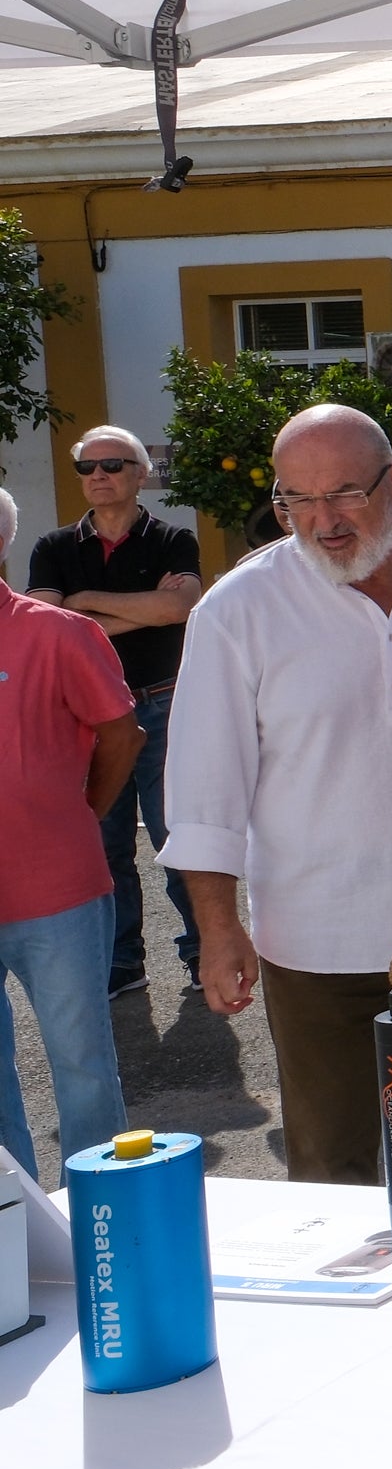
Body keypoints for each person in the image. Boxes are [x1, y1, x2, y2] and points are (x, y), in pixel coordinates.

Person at [162, 405, 392, 1184]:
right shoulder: (239, 608)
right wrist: (220, 929)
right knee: (338, 1171)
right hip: (318, 944)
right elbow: (204, 788)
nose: (321, 521)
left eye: (344, 495)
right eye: (296, 500)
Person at [22, 424, 203, 997]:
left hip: (161, 702)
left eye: (112, 464)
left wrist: (86, 602)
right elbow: (49, 630)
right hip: (86, 720)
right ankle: (123, 960)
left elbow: (181, 609)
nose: (98, 475)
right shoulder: (53, 547)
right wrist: (147, 610)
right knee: (105, 841)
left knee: (176, 835)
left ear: (140, 474)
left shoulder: (173, 538)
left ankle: (204, 951)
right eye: (87, 467)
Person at [0, 486, 139, 1175]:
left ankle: (97, 1222)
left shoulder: (58, 632)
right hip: (47, 889)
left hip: (59, 892)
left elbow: (122, 734)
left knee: (81, 1066)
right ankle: (15, 1234)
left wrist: (81, 813)